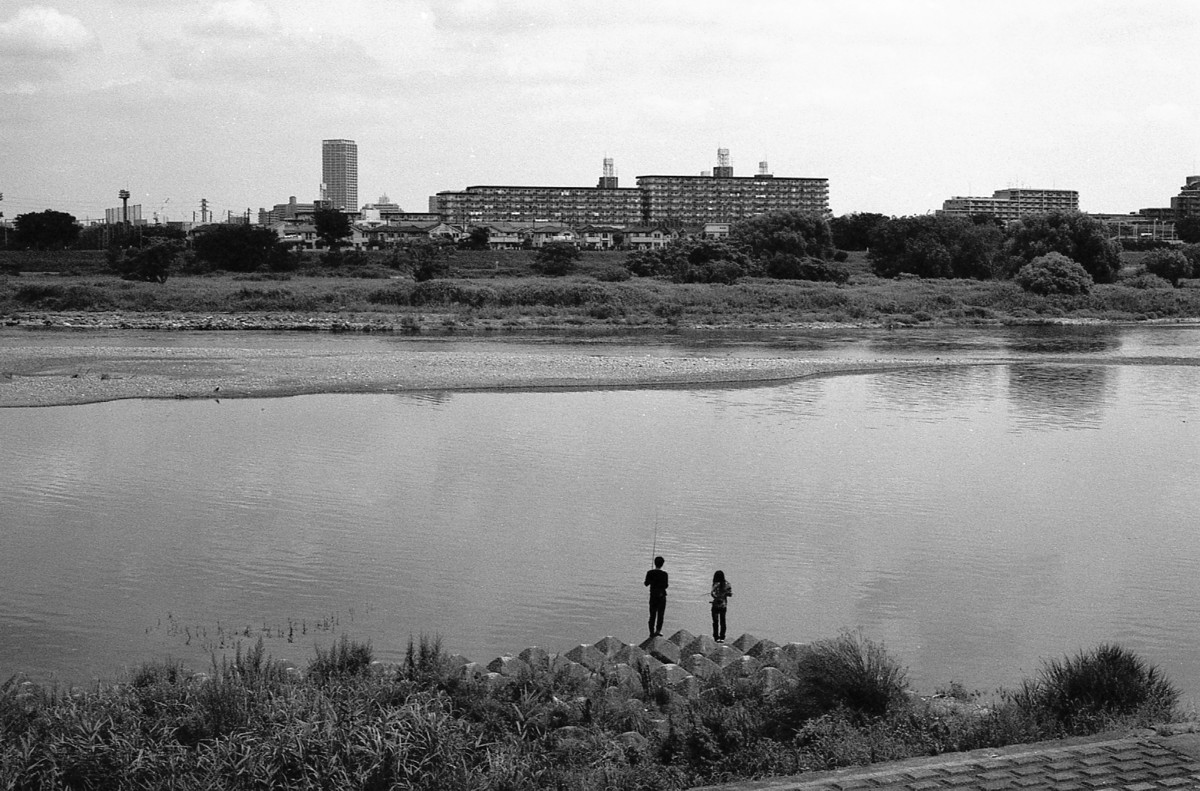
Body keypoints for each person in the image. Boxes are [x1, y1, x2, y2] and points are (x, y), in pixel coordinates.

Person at [644, 555, 668, 638]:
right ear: (662, 564)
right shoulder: (664, 574)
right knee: (660, 615)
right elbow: (666, 586)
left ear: (655, 563)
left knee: (652, 615)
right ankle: (658, 631)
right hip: (662, 596)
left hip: (653, 596)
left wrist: (651, 580)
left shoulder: (650, 573)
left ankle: (651, 632)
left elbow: (646, 584)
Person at [710, 569, 732, 643]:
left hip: (715, 605)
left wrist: (716, 597)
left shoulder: (715, 584)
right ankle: (722, 637)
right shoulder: (727, 584)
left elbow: (712, 594)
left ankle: (716, 637)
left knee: (715, 622)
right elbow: (730, 594)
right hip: (723, 605)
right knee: (723, 621)